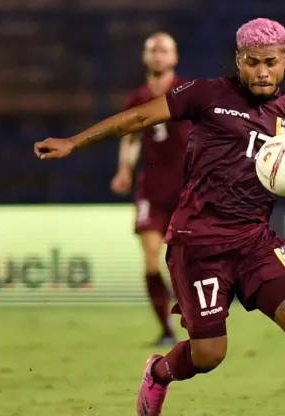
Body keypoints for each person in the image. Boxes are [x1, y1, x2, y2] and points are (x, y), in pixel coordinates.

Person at [34, 18, 285, 416]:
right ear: (238, 60)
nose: (262, 71)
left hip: (255, 240)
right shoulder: (206, 95)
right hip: (198, 241)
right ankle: (158, 372)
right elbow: (136, 119)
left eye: (270, 62)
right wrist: (73, 142)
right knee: (209, 354)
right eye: (252, 62)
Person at [110, 32, 190, 347]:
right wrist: (124, 169)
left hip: (187, 188)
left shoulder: (186, 92)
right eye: (152, 50)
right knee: (150, 258)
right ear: (145, 57)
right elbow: (130, 138)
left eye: (164, 50)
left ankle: (199, 319)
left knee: (185, 260)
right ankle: (167, 329)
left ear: (174, 58)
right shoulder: (138, 99)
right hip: (153, 189)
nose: (158, 55)